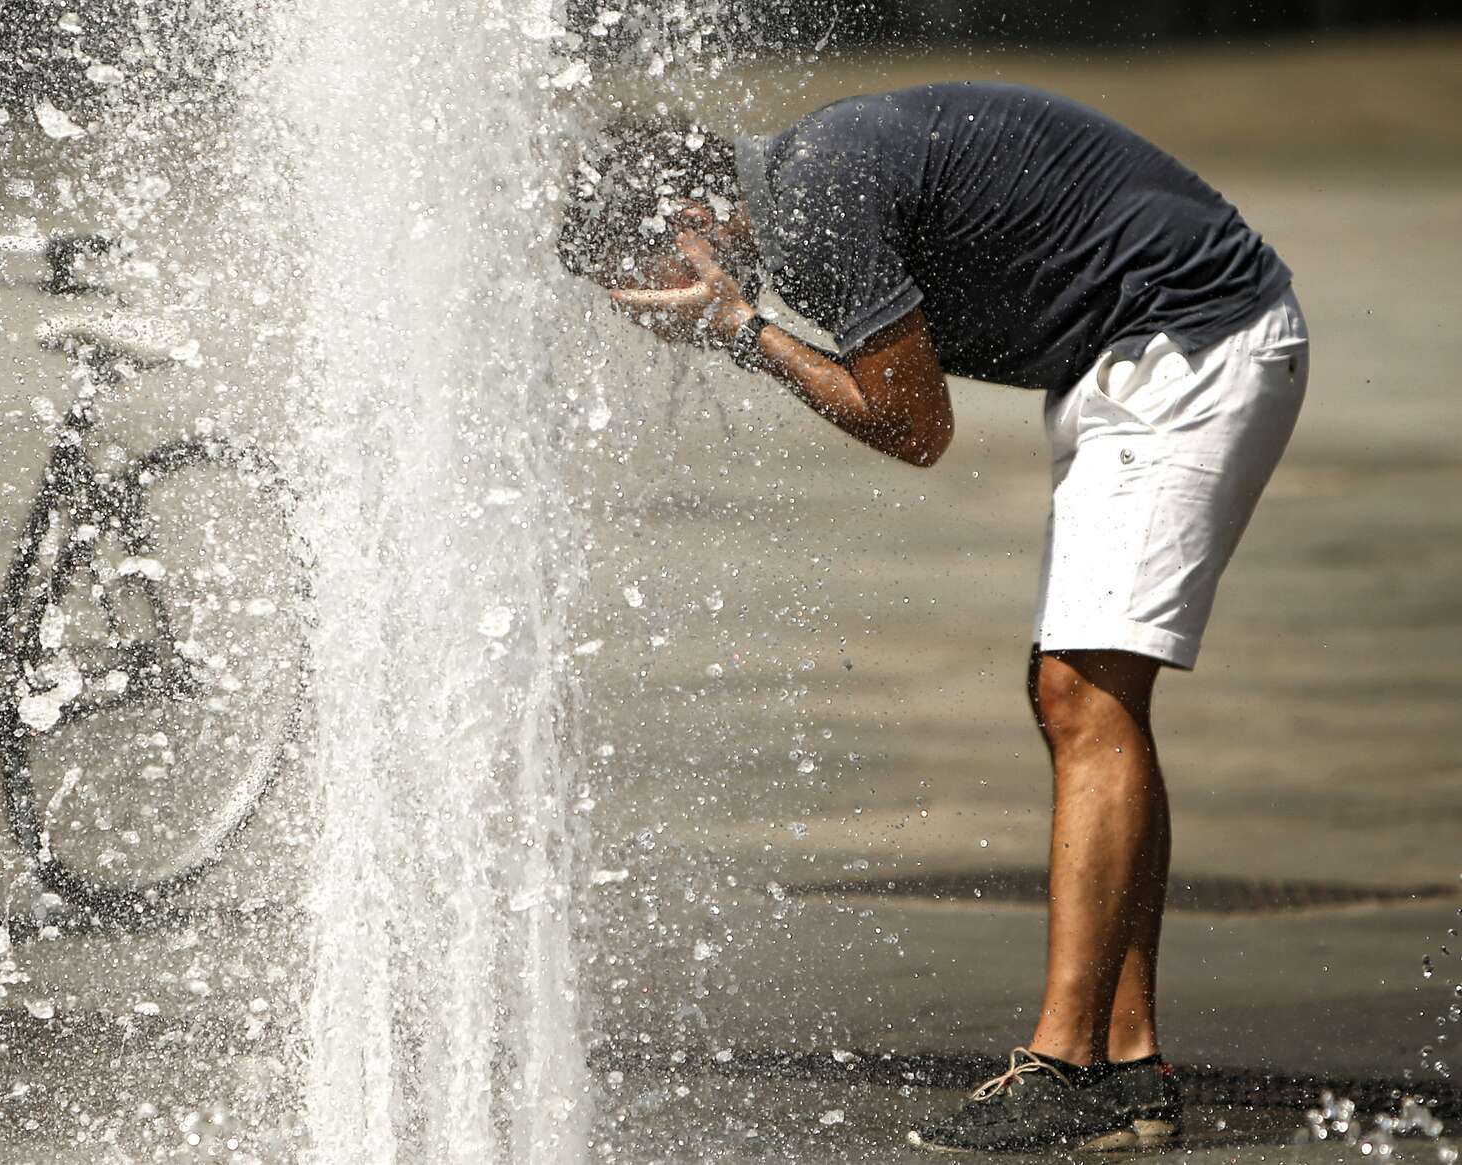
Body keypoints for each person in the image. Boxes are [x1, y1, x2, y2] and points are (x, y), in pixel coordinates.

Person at [560, 82, 1307, 1154]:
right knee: (1080, 698)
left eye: (652, 285)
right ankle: (1126, 1062)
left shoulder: (815, 202)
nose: (657, 314)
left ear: (691, 223)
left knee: (1081, 698)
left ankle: (1064, 1070)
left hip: (1192, 340)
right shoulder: (807, 176)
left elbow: (915, 428)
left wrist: (739, 330)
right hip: (1143, 353)